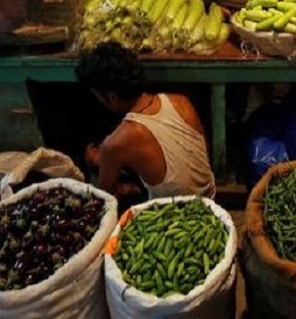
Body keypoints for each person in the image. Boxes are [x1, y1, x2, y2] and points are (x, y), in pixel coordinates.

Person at [75, 42, 216, 201]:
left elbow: (103, 195)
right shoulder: (181, 101)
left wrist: (97, 161)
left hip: (175, 216)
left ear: (112, 97)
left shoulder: (115, 143)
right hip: (210, 200)